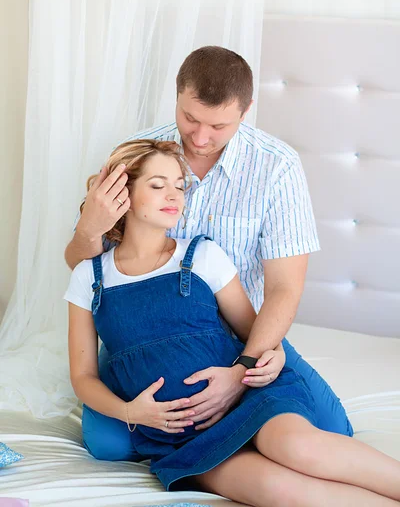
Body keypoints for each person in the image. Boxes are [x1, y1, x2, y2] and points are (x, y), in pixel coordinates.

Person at [65, 139, 400, 507]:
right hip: (180, 439)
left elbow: (252, 332)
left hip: (250, 398)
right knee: (281, 491)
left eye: (179, 184)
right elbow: (83, 377)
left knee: (301, 448)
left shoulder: (203, 255)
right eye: (158, 185)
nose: (174, 194)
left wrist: (271, 354)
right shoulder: (89, 276)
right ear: (122, 194)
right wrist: (130, 412)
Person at [65, 46, 352, 436]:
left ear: (246, 110)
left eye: (218, 126)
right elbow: (85, 269)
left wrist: (246, 364)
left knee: (332, 429)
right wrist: (88, 228)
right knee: (109, 445)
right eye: (190, 118)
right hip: (147, 339)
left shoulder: (276, 166)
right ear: (178, 95)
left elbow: (285, 287)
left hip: (242, 337)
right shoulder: (139, 156)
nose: (200, 138)